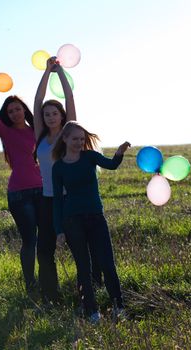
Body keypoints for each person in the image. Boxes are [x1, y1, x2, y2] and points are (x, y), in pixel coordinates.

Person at [33, 57, 102, 302]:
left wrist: (59, 71)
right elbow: (37, 101)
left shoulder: (68, 133)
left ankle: (90, 291)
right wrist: (46, 72)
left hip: (71, 199)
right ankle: (52, 296)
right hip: (48, 200)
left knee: (81, 249)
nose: (50, 117)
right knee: (44, 250)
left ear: (62, 116)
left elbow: (69, 99)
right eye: (46, 114)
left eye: (54, 113)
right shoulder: (40, 135)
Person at [52, 121, 131, 323]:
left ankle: (118, 307)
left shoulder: (90, 157)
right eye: (75, 139)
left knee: (107, 263)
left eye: (81, 139)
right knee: (83, 267)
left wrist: (119, 153)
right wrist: (59, 230)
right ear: (65, 139)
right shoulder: (58, 167)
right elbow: (58, 201)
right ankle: (92, 312)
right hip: (72, 221)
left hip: (96, 218)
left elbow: (111, 165)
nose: (79, 142)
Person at [0, 72, 43, 296]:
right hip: (19, 194)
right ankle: (30, 285)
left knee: (45, 238)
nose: (14, 113)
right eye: (10, 110)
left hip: (42, 191)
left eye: (17, 108)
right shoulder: (6, 132)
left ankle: (46, 283)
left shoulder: (36, 131)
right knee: (29, 240)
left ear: (24, 110)